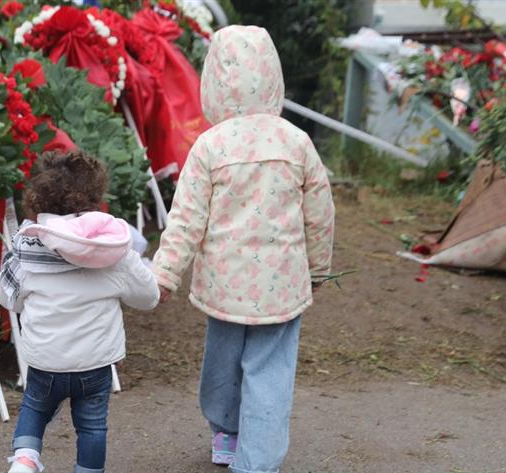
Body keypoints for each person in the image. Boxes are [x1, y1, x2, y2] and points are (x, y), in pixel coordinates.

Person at [151, 25, 335, 473]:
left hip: (225, 287)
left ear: (213, 82)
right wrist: (318, 266)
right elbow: (320, 212)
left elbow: (186, 219)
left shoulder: (209, 146)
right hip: (282, 286)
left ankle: (226, 430)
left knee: (223, 361)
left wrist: (164, 274)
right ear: (274, 78)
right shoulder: (296, 142)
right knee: (270, 375)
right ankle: (257, 461)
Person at [0, 150, 160, 473]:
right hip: (95, 362)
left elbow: (7, 298)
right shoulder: (113, 249)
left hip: (46, 358)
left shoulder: (28, 246)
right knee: (92, 427)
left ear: (38, 197)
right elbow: (147, 297)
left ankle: (25, 459)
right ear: (95, 195)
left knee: (36, 408)